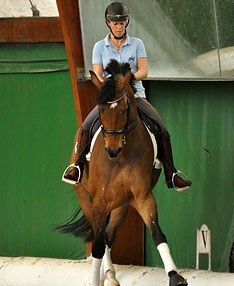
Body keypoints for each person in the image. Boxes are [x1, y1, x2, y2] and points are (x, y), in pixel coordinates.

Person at [62, 2, 192, 191]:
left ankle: (171, 173)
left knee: (161, 127)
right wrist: (113, 84)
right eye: (115, 23)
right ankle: (77, 167)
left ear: (126, 23)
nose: (119, 26)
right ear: (108, 23)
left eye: (122, 23)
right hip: (110, 99)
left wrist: (127, 79)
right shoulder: (99, 46)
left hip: (135, 96)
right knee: (86, 126)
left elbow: (144, 71)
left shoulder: (137, 44)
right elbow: (97, 74)